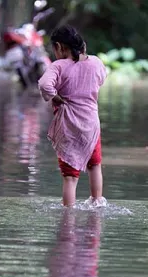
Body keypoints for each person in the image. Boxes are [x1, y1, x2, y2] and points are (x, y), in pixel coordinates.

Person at [38, 25, 107, 207]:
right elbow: (102, 78)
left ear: (59, 47)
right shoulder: (96, 63)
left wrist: (56, 97)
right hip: (91, 124)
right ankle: (97, 203)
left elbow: (45, 85)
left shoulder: (59, 66)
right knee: (95, 165)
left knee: (70, 177)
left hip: (68, 125)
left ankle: (68, 216)